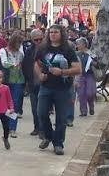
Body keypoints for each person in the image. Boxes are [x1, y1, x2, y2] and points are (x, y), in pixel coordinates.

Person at [35, 25, 81, 156]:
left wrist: (62, 72)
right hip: (46, 87)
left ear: (62, 34)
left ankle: (58, 144)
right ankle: (48, 136)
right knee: (41, 113)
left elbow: (78, 69)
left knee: (61, 118)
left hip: (63, 88)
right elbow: (36, 63)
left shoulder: (68, 50)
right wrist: (39, 75)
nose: (53, 34)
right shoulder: (43, 48)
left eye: (56, 32)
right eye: (51, 32)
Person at [0, 31, 26, 138]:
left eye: (21, 43)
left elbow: (23, 58)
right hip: (6, 80)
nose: (19, 45)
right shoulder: (3, 51)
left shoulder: (20, 52)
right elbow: (4, 63)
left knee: (15, 105)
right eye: (18, 43)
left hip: (18, 80)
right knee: (5, 105)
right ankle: (7, 126)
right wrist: (14, 64)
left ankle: (13, 128)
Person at [22, 29, 44, 136]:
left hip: (44, 83)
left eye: (41, 39)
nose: (39, 41)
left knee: (43, 108)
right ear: (32, 40)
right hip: (32, 83)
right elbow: (25, 66)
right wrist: (26, 82)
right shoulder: (29, 51)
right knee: (34, 108)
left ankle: (43, 129)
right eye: (36, 40)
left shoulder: (47, 50)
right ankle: (37, 127)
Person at [74, 38, 97, 117]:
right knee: (81, 94)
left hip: (90, 75)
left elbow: (98, 62)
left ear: (84, 44)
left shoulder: (90, 53)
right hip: (80, 75)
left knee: (90, 93)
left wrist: (93, 63)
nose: (77, 46)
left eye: (78, 44)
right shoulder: (76, 54)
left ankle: (91, 105)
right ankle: (83, 111)